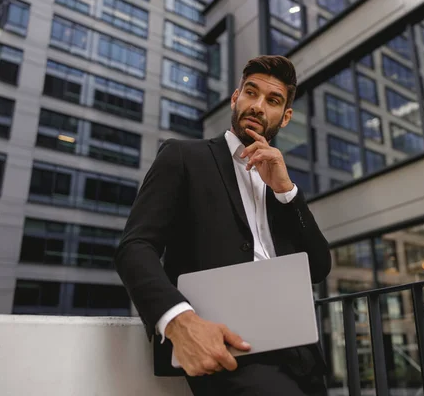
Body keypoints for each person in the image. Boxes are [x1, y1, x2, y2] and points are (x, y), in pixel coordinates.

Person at [114, 55, 332, 396]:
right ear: (235, 98)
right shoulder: (183, 157)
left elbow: (318, 267)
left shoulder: (280, 183)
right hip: (227, 350)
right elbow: (135, 247)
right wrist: (178, 322)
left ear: (285, 117)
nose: (258, 106)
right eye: (251, 93)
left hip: (303, 356)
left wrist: (287, 192)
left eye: (272, 100)